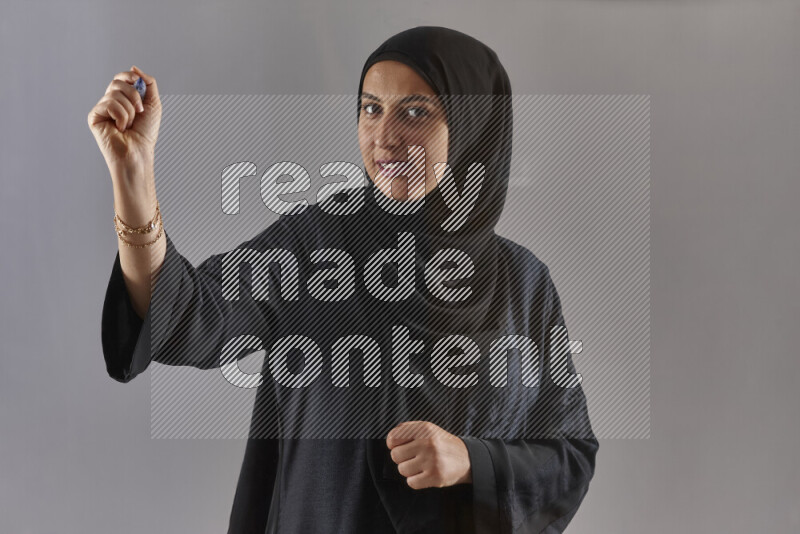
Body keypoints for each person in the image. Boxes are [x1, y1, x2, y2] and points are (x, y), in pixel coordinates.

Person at [89, 26, 598, 534]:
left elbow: (569, 455)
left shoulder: (523, 284)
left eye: (415, 112)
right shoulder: (316, 246)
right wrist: (134, 177)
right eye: (371, 108)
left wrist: (470, 461)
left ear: (471, 129)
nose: (385, 136)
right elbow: (186, 316)